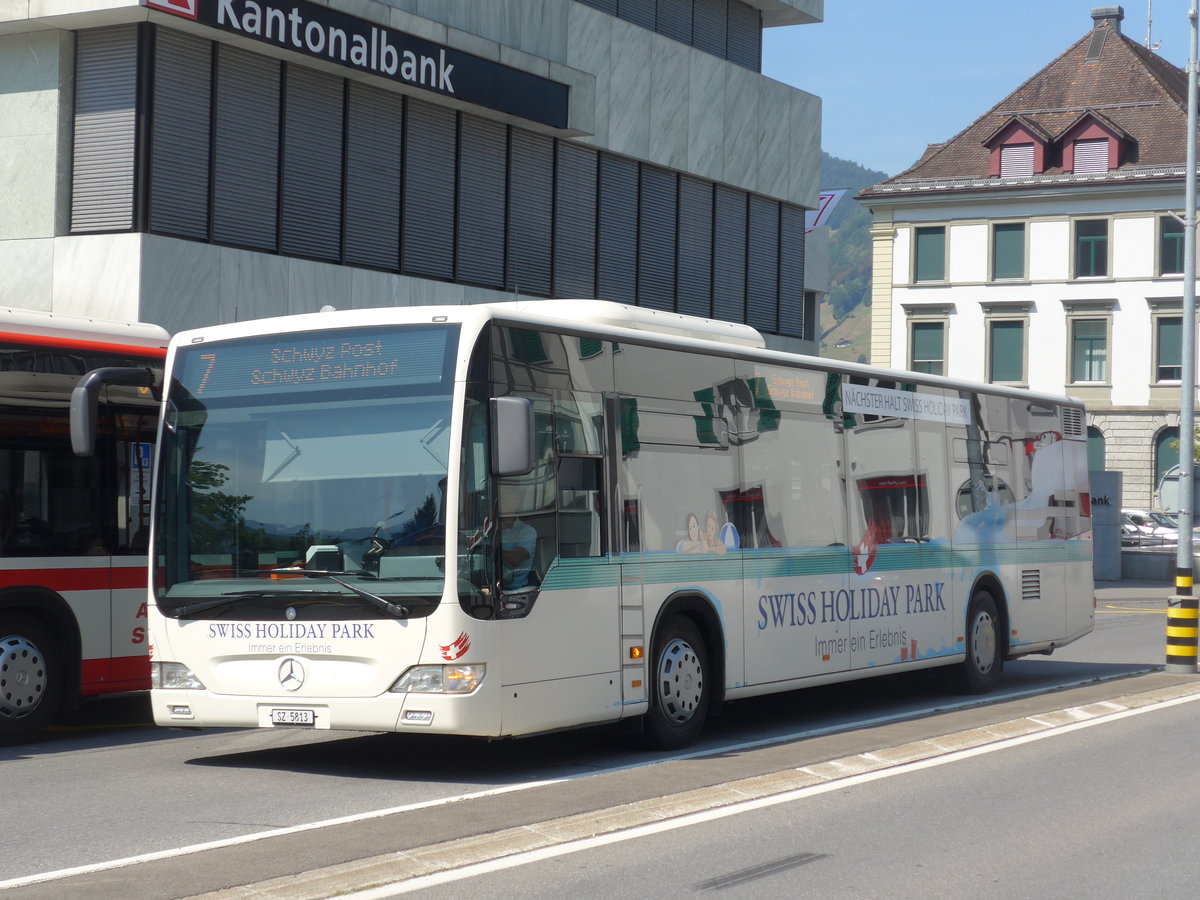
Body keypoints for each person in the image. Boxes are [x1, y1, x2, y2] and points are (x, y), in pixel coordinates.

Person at [500, 514, 537, 589]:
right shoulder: (493, 529)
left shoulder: (527, 530)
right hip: (488, 583)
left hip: (513, 589)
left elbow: (515, 559)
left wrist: (492, 552)